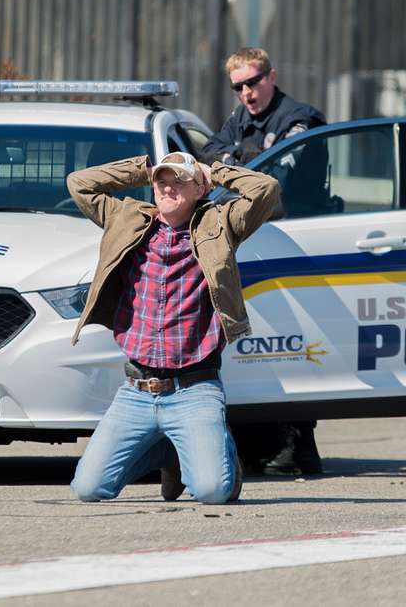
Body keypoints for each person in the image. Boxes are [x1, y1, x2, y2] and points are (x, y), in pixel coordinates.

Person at [66, 151, 278, 503]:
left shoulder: (221, 223)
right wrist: (144, 170)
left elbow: (265, 189)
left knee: (212, 492)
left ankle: (215, 459)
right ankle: (171, 454)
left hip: (195, 388)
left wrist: (215, 171)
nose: (168, 188)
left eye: (179, 181)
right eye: (162, 182)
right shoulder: (126, 218)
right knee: (89, 489)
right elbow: (80, 184)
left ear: (200, 189)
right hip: (136, 389)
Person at [202, 47, 327, 476]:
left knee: (295, 343)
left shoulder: (300, 117)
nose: (247, 93)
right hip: (258, 240)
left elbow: (278, 174)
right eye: (238, 86)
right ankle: (268, 442)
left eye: (253, 82)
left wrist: (232, 161)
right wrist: (234, 159)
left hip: (299, 242)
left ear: (272, 75)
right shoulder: (239, 119)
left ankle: (301, 446)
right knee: (264, 344)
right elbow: (208, 154)